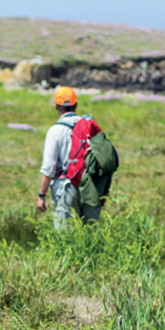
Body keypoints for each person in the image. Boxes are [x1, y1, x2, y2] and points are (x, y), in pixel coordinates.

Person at [36, 86, 101, 229]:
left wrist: (41, 195)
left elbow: (48, 168)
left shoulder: (55, 131)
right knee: (93, 235)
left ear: (56, 107)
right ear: (76, 105)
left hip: (66, 187)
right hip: (91, 187)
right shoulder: (89, 126)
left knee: (66, 238)